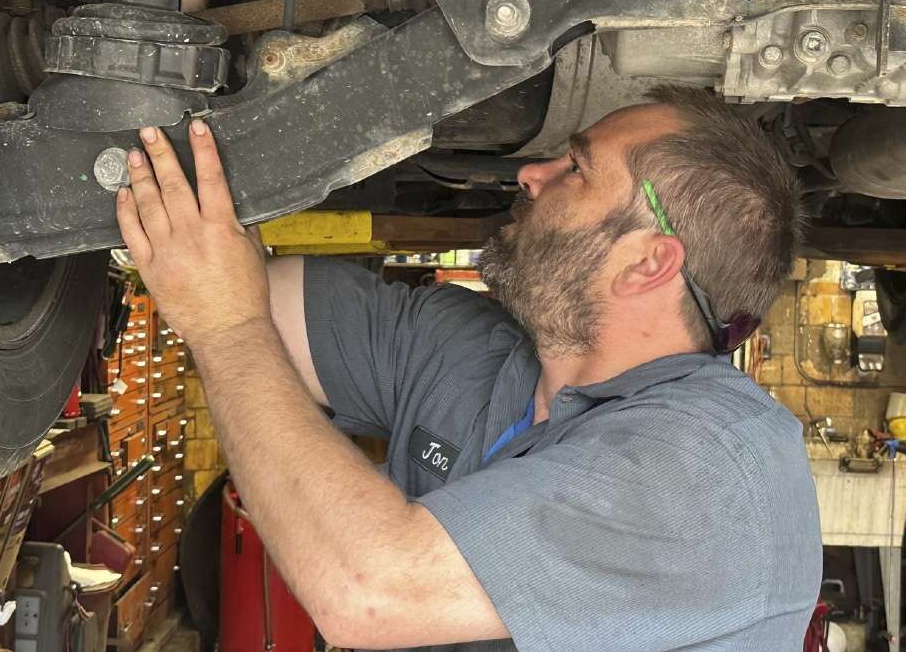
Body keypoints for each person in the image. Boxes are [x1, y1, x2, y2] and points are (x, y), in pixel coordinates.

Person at [115, 86, 822, 651]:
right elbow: (236, 285)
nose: (531, 174)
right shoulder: (477, 352)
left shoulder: (714, 473)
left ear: (646, 262)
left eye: (575, 168)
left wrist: (226, 327)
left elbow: (372, 590)